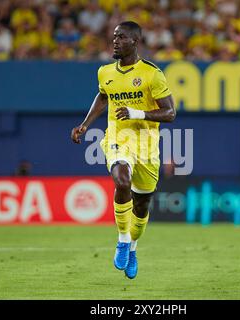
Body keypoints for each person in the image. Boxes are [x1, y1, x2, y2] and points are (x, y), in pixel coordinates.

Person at [71, 21, 175, 280]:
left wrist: (135, 112)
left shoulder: (152, 74)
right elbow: (104, 96)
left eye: (121, 37)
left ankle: (133, 247)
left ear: (134, 41)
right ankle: (122, 241)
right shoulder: (105, 72)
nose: (115, 41)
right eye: (114, 37)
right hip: (118, 138)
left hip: (147, 146)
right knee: (121, 179)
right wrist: (85, 124)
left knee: (141, 206)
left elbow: (170, 113)